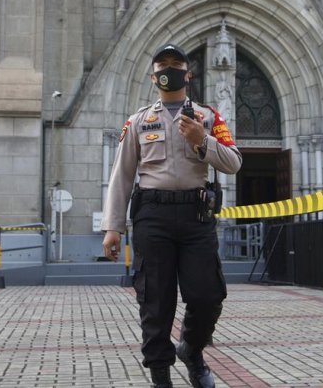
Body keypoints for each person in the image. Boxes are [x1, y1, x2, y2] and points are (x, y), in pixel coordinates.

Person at [101, 43, 242, 388]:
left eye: (175, 64)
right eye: (162, 65)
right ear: (153, 77)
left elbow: (234, 163)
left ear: (187, 74)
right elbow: (122, 174)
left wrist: (203, 139)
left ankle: (192, 351)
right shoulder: (138, 121)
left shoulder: (208, 118)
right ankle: (161, 377)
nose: (169, 70)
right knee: (155, 301)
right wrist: (112, 227)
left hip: (196, 216)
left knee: (207, 296)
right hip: (153, 215)